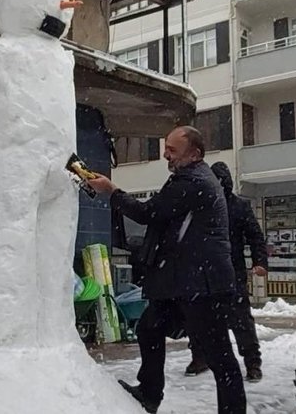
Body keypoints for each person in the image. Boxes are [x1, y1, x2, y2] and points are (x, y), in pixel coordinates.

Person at [87, 126, 247, 414]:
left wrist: (111, 191)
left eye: (172, 150)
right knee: (150, 328)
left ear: (194, 154)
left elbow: (148, 213)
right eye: (166, 147)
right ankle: (149, 392)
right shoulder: (191, 178)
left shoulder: (192, 181)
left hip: (202, 284)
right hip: (186, 281)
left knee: (219, 355)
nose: (165, 155)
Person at [185, 161, 268, 382]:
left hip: (232, 273)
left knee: (240, 320)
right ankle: (200, 357)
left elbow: (255, 236)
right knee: (199, 318)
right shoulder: (201, 205)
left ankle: (252, 362)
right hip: (204, 273)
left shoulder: (239, 206)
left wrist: (260, 261)